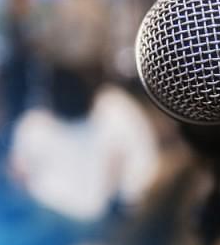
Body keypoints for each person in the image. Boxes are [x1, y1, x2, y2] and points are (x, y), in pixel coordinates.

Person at [10, 62, 160, 225]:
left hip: (107, 219)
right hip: (51, 216)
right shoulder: (34, 126)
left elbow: (138, 169)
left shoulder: (114, 110)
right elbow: (19, 175)